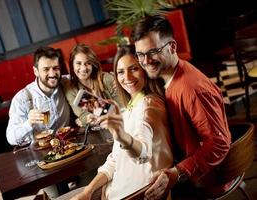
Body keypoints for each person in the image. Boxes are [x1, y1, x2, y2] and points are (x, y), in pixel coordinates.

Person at [131, 15, 232, 199]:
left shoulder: (191, 88)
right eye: (140, 54)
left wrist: (177, 173)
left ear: (172, 47)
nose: (145, 61)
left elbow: (219, 144)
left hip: (203, 183)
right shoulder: (170, 77)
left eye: (153, 51)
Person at [69, 45, 173, 200]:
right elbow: (115, 159)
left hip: (136, 193)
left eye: (133, 69)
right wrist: (87, 192)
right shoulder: (130, 106)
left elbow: (143, 153)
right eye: (121, 72)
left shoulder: (149, 105)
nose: (127, 78)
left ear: (144, 69)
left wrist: (122, 136)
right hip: (111, 191)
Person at [6, 46, 71, 199]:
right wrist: (29, 123)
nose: (52, 74)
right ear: (35, 71)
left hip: (69, 148)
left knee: (88, 185)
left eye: (55, 68)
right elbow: (11, 138)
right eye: (46, 69)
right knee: (56, 196)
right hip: (43, 158)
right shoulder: (23, 98)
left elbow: (86, 76)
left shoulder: (65, 83)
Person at [61, 44, 122, 127]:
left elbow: (122, 108)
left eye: (88, 63)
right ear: (72, 65)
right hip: (99, 131)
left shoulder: (107, 79)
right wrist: (87, 119)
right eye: (78, 63)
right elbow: (82, 116)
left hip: (121, 124)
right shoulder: (71, 90)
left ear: (93, 64)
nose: (83, 68)